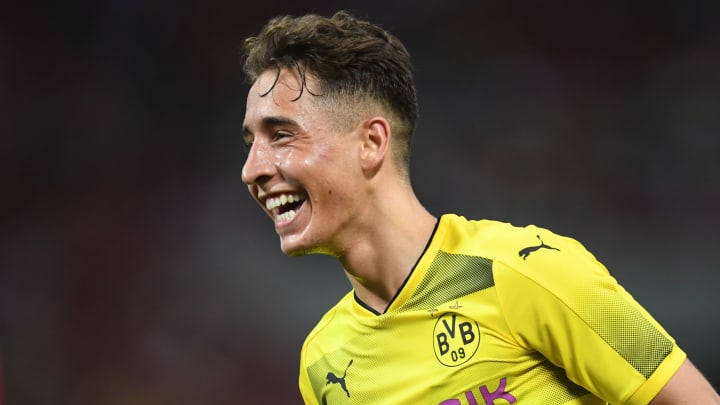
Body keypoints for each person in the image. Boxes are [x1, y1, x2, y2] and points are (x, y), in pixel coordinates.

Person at [239, 10, 720, 405]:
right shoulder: (322, 363)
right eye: (250, 142)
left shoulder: (530, 271)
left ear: (371, 143)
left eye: (281, 135)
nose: (251, 169)